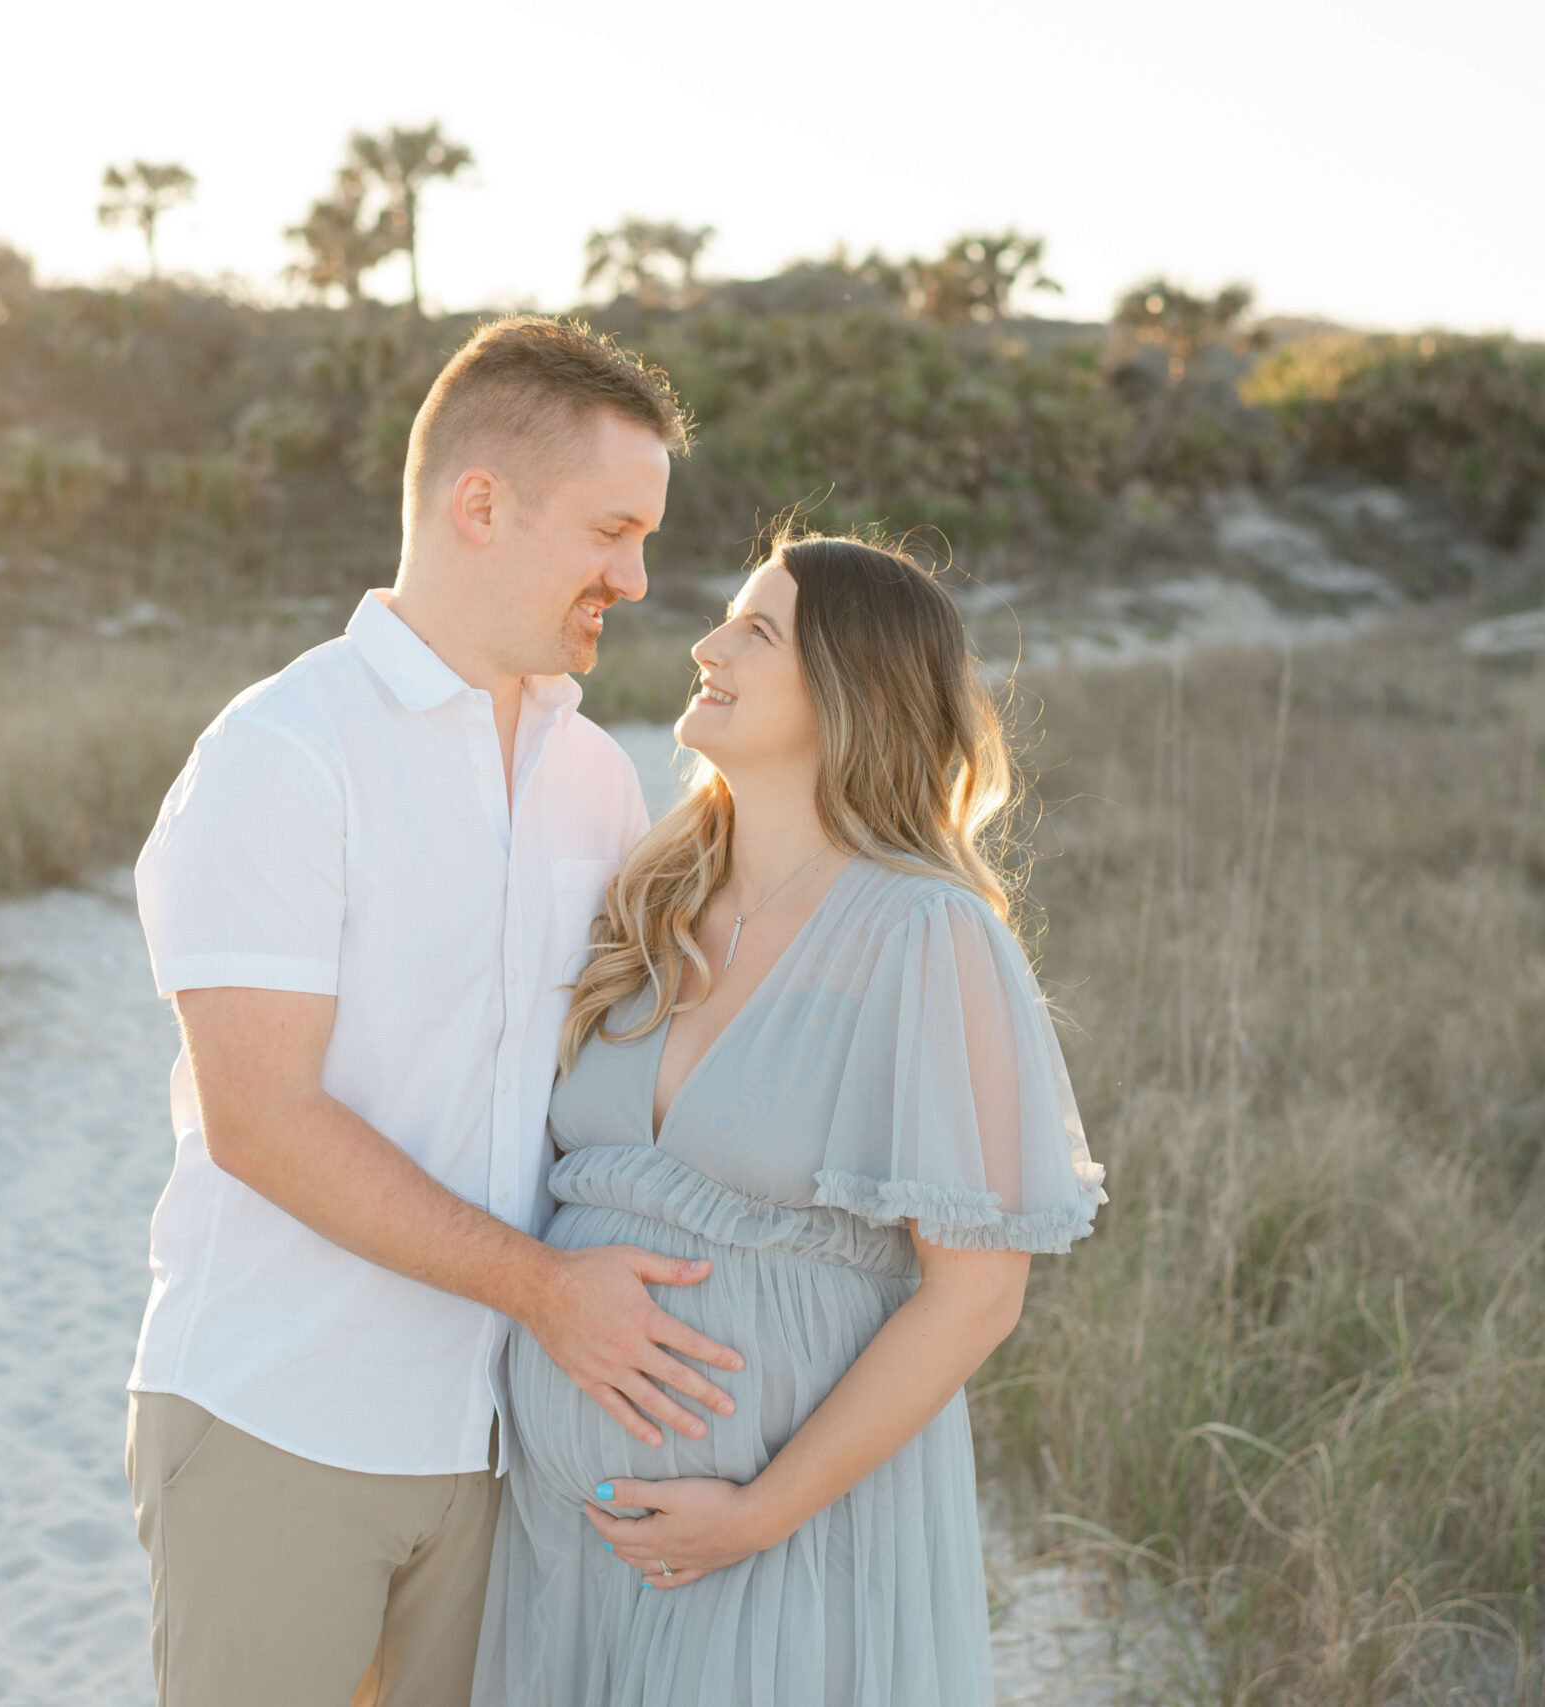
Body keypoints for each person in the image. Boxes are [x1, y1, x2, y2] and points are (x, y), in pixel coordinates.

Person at [125, 316, 747, 1707]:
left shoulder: (596, 776)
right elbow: (264, 1119)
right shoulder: (285, 752)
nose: (636, 578)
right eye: (610, 529)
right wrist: (547, 1291)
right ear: (480, 505)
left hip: (496, 1444)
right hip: (279, 1417)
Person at [476, 534, 1106, 1707]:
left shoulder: (925, 934)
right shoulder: (648, 897)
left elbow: (977, 1296)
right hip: (563, 1545)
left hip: (783, 1541)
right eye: (727, 619)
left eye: (755, 631)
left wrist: (754, 1515)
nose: (706, 647)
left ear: (850, 687)